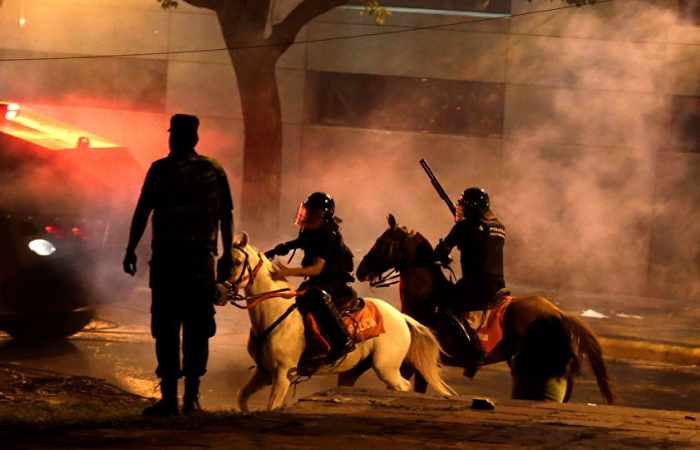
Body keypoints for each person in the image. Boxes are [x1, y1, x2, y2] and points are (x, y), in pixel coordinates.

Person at [123, 114, 234, 416]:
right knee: (167, 329)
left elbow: (226, 215)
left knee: (196, 329)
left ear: (192, 138)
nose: (175, 140)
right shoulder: (161, 170)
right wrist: (131, 248)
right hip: (170, 260)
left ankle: (190, 398)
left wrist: (227, 254)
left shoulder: (210, 171)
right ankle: (172, 398)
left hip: (196, 261)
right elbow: (142, 210)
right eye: (174, 135)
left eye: (180, 135)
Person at [265, 192, 355, 370]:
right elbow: (299, 242)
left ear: (324, 215)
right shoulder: (311, 230)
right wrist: (275, 250)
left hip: (333, 282)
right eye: (308, 211)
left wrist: (288, 271)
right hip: (317, 280)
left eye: (313, 213)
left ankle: (342, 340)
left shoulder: (330, 235)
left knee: (316, 296)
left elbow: (317, 269)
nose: (308, 216)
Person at [434, 187, 506, 313]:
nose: (461, 208)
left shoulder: (464, 227)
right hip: (498, 286)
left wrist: (443, 257)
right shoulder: (499, 227)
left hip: (474, 287)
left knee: (442, 305)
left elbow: (439, 253)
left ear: (472, 207)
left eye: (463, 205)